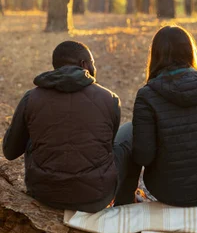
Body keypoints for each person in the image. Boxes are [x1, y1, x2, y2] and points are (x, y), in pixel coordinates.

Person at [2, 41, 132, 212]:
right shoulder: (110, 99)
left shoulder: (31, 98)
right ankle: (125, 204)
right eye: (93, 63)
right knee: (130, 130)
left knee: (33, 136)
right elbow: (107, 146)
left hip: (44, 195)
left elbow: (10, 152)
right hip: (97, 197)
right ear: (84, 65)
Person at [118, 25, 197, 207]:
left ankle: (124, 203)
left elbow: (144, 157)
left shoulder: (147, 95)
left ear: (156, 55)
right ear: (190, 51)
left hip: (171, 191)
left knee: (128, 132)